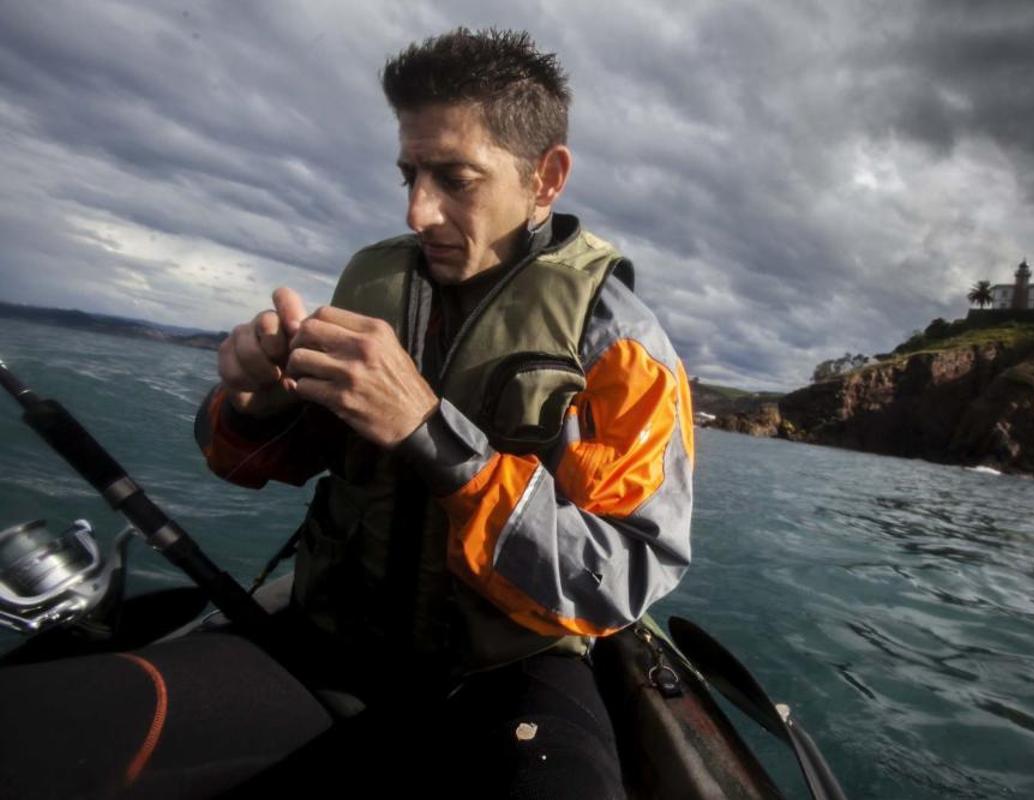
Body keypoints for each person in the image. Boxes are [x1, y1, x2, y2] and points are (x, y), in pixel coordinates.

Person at [194, 27, 694, 797]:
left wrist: (431, 435)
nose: (417, 211)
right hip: (329, 636)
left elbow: (621, 580)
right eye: (410, 175)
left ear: (546, 178)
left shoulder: (624, 348)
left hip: (505, 673)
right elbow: (264, 460)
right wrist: (254, 405)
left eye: (455, 179)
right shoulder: (371, 284)